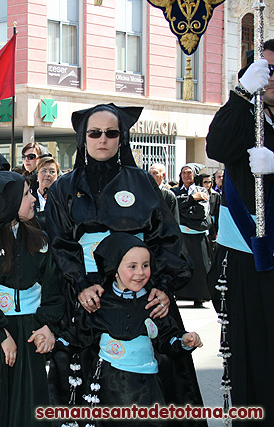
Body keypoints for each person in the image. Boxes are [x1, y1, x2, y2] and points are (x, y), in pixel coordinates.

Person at [45, 103, 206, 425]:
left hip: (142, 293)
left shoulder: (144, 183)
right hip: (87, 298)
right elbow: (61, 244)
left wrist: (162, 286)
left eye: (111, 132)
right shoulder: (64, 187)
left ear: (122, 138)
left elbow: (167, 240)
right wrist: (80, 285)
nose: (102, 139)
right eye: (94, 133)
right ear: (83, 138)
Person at [57, 233, 202, 426]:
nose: (140, 272)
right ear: (114, 269)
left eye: (145, 265)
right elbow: (80, 334)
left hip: (147, 387)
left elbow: (167, 338)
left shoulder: (153, 303)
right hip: (108, 384)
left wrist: (184, 341)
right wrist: (56, 341)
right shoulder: (100, 303)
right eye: (132, 266)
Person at [0, 171, 64, 427]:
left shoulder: (39, 238)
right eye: (26, 194)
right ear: (7, 202)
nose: (33, 200)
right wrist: (1, 334)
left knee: (30, 403)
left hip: (31, 330)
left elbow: (54, 289)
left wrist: (48, 327)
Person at [206, 40, 274, 426]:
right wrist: (242, 94)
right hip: (249, 255)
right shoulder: (245, 115)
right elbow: (217, 145)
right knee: (251, 355)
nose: (272, 78)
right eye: (266, 70)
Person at [171, 164, 212, 307]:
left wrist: (183, 211)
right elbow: (173, 207)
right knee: (182, 264)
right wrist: (192, 199)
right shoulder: (175, 191)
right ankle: (181, 293)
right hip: (181, 235)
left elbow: (200, 212)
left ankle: (199, 296)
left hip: (197, 235)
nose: (186, 176)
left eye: (189, 173)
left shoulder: (201, 190)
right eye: (183, 173)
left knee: (199, 266)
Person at [33, 156, 59, 229]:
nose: (47, 174)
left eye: (52, 171)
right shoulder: (30, 198)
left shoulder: (62, 199)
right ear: (37, 175)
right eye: (44, 171)